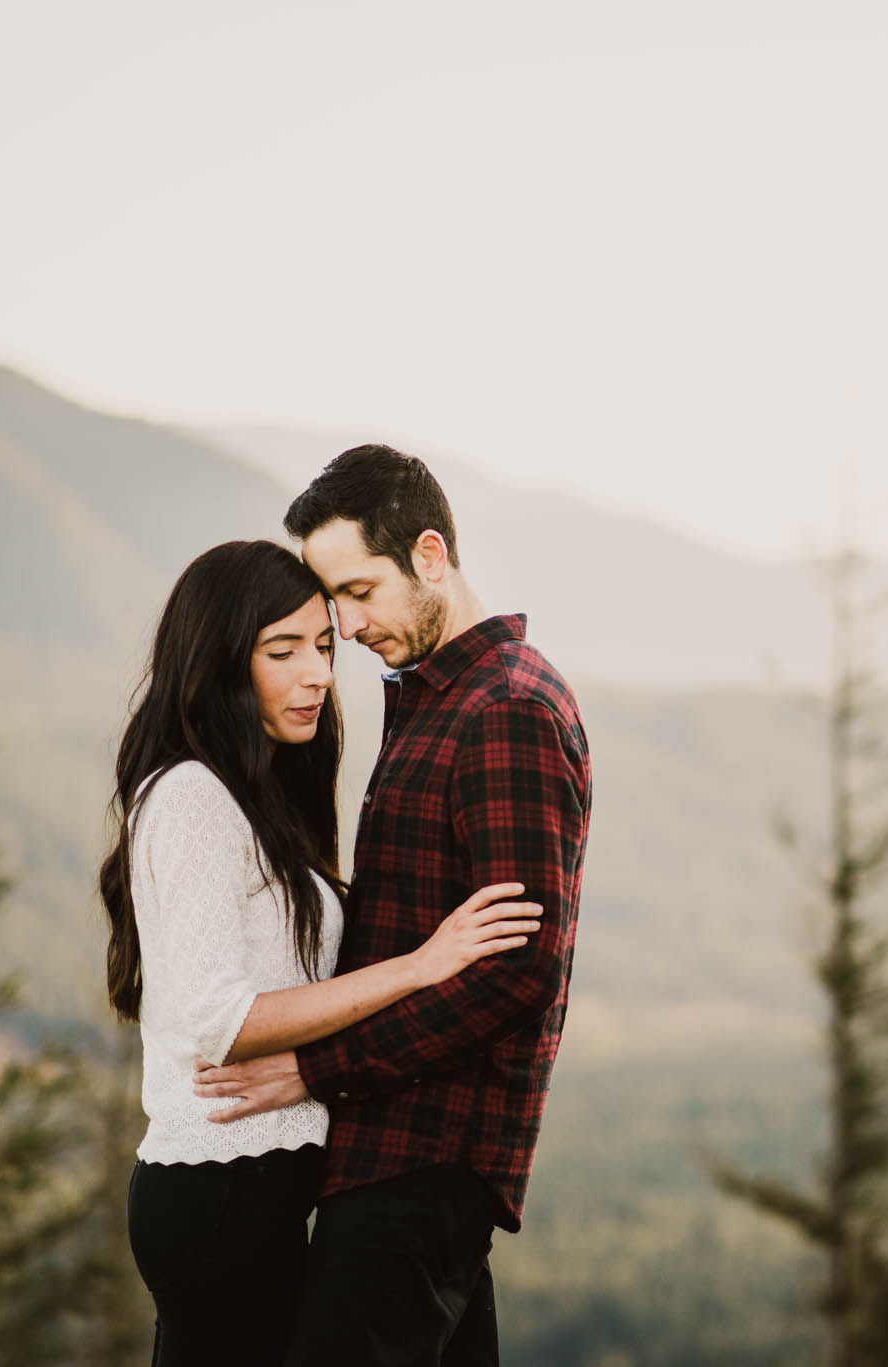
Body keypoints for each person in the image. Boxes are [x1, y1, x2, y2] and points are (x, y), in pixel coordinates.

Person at [97, 539, 541, 1367]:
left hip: (259, 1191)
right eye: (282, 650)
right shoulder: (191, 794)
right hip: (220, 1189)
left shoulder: (256, 795)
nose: (317, 674)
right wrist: (419, 965)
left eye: (324, 645)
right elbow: (223, 1024)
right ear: (220, 660)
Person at [193, 447, 592, 1366]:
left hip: (425, 1159)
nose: (350, 623)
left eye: (361, 590)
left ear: (430, 554)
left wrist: (317, 1067)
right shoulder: (432, 701)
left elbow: (518, 971)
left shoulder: (507, 710)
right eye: (335, 599)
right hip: (395, 1153)